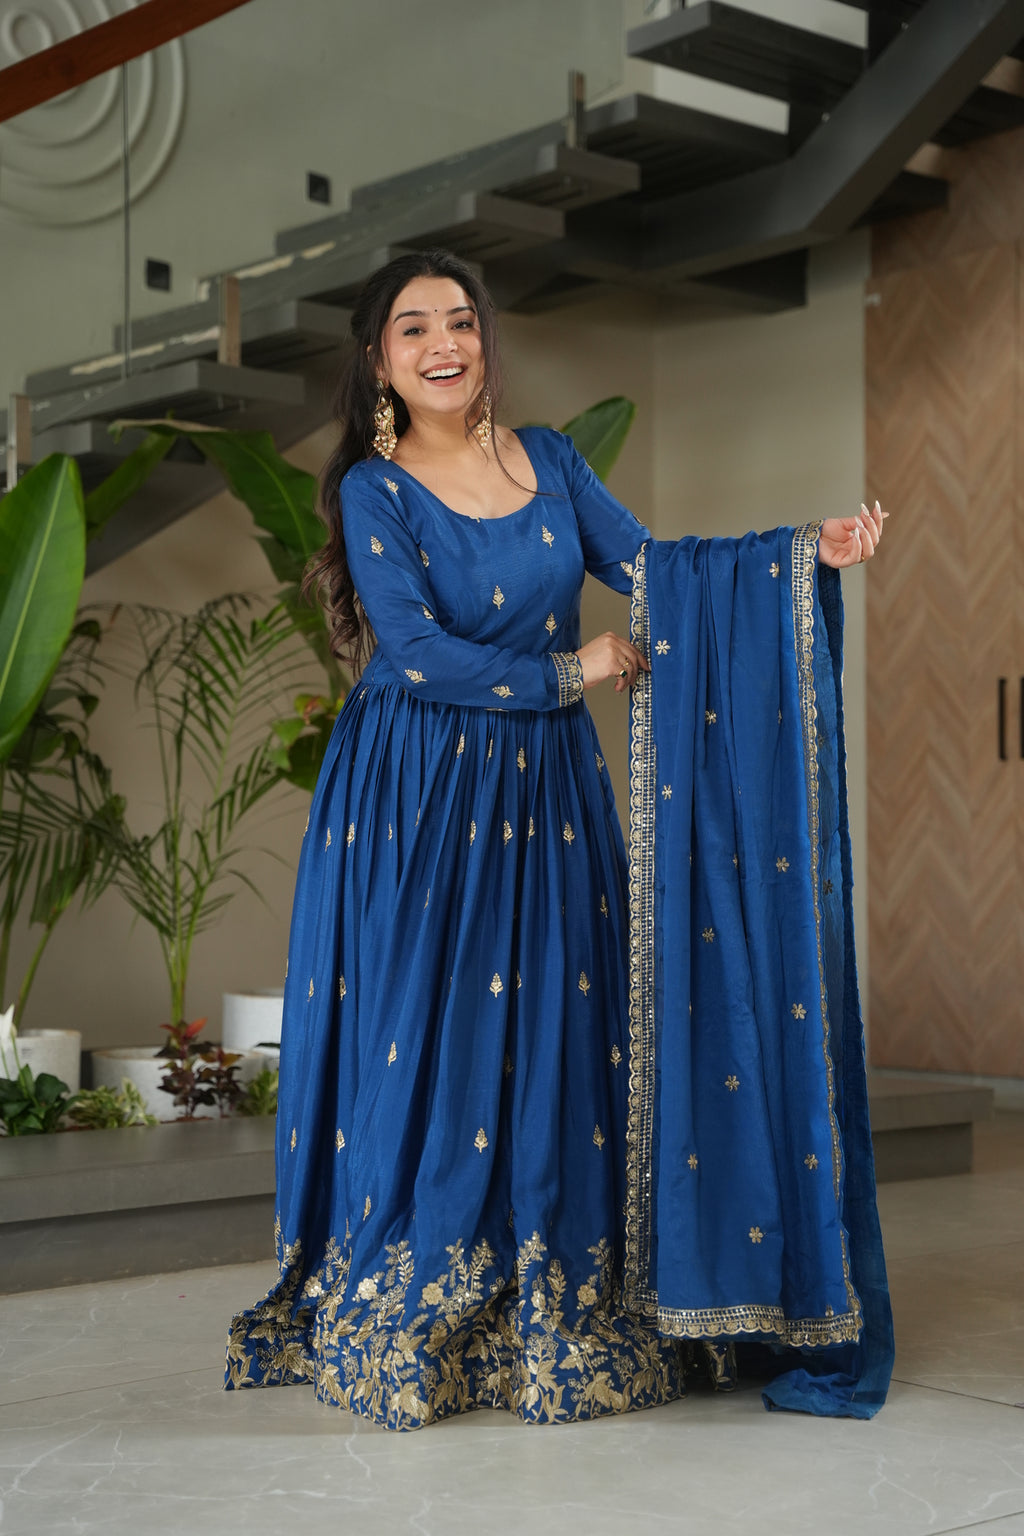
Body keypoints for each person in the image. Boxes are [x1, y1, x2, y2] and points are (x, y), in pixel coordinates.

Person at [225, 248, 888, 1431]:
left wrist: (799, 555)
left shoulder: (550, 461)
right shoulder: (375, 490)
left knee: (561, 1026)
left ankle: (561, 1269)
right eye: (416, 327)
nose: (445, 343)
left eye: (463, 322)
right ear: (378, 359)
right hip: (417, 797)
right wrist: (566, 667)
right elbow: (415, 652)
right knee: (435, 1031)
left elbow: (652, 574)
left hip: (547, 795)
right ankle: (428, 1279)